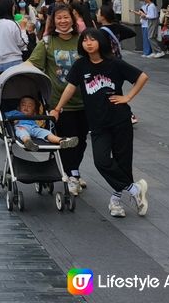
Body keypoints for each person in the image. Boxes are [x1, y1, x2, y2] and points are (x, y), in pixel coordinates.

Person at [52, 28, 149, 219]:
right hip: (97, 124)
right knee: (101, 160)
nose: (88, 43)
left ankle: (116, 201)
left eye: (92, 40)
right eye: (85, 40)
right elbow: (70, 88)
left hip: (120, 120)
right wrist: (57, 108)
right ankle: (134, 188)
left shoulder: (114, 63)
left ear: (101, 42)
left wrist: (127, 97)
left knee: (123, 162)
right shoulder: (81, 65)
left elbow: (142, 77)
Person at [26, 3, 87, 196]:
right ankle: (72, 175)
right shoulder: (47, 42)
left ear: (73, 18)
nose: (63, 21)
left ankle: (73, 170)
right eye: (58, 18)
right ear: (53, 20)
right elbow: (31, 64)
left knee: (82, 140)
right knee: (67, 139)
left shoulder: (83, 40)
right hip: (59, 104)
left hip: (85, 101)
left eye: (66, 17)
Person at [6, 96, 78, 151]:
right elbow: (5, 116)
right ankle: (28, 142)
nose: (26, 107)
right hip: (21, 126)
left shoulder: (34, 115)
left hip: (34, 128)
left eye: (30, 106)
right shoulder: (15, 112)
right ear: (19, 107)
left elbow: (41, 119)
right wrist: (13, 120)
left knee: (46, 132)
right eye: (23, 105)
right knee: (22, 132)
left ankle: (61, 140)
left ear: (34, 110)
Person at [0, 0, 28, 79]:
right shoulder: (12, 24)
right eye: (13, 7)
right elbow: (23, 44)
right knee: (14, 90)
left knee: (0, 90)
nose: (14, 9)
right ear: (9, 8)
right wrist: (23, 29)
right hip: (14, 62)